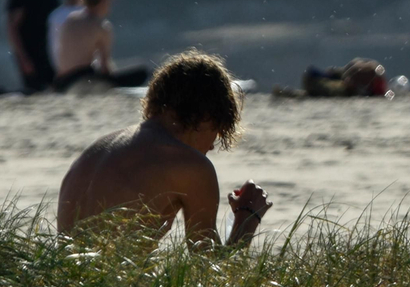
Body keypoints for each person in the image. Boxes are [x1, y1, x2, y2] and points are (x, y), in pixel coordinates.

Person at [56, 50, 270, 248]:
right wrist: (247, 218)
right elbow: (210, 271)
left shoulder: (98, 149)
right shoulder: (189, 165)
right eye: (218, 130)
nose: (213, 144)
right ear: (207, 116)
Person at [53, 0, 149, 90]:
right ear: (103, 1)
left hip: (61, 82)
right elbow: (105, 67)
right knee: (142, 72)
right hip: (82, 80)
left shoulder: (71, 19)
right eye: (108, 1)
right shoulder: (101, 26)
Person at [6, 0, 61, 93]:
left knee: (54, 87)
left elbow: (57, 23)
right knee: (33, 89)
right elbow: (12, 27)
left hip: (48, 48)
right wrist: (22, 57)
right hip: (27, 49)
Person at [48, 0, 87, 71]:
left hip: (64, 68)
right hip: (85, 67)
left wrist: (59, 67)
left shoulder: (55, 16)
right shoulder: (86, 14)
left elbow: (54, 45)